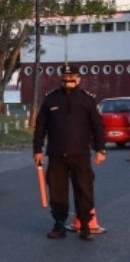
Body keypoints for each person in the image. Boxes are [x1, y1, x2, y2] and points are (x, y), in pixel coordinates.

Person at [33, 64, 106, 241]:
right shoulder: (51, 100)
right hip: (57, 154)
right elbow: (40, 127)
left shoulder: (88, 100)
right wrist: (37, 150)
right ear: (61, 79)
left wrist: (100, 149)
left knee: (84, 190)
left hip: (80, 154)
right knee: (58, 190)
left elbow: (98, 127)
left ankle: (86, 226)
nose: (68, 80)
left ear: (79, 79)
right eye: (65, 77)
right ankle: (59, 224)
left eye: (72, 77)